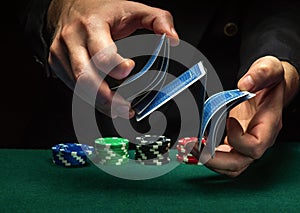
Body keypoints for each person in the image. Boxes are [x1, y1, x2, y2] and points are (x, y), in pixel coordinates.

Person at [16, 0, 300, 177]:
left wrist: (280, 62)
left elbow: (280, 7)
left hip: (227, 135)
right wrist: (64, 6)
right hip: (76, 128)